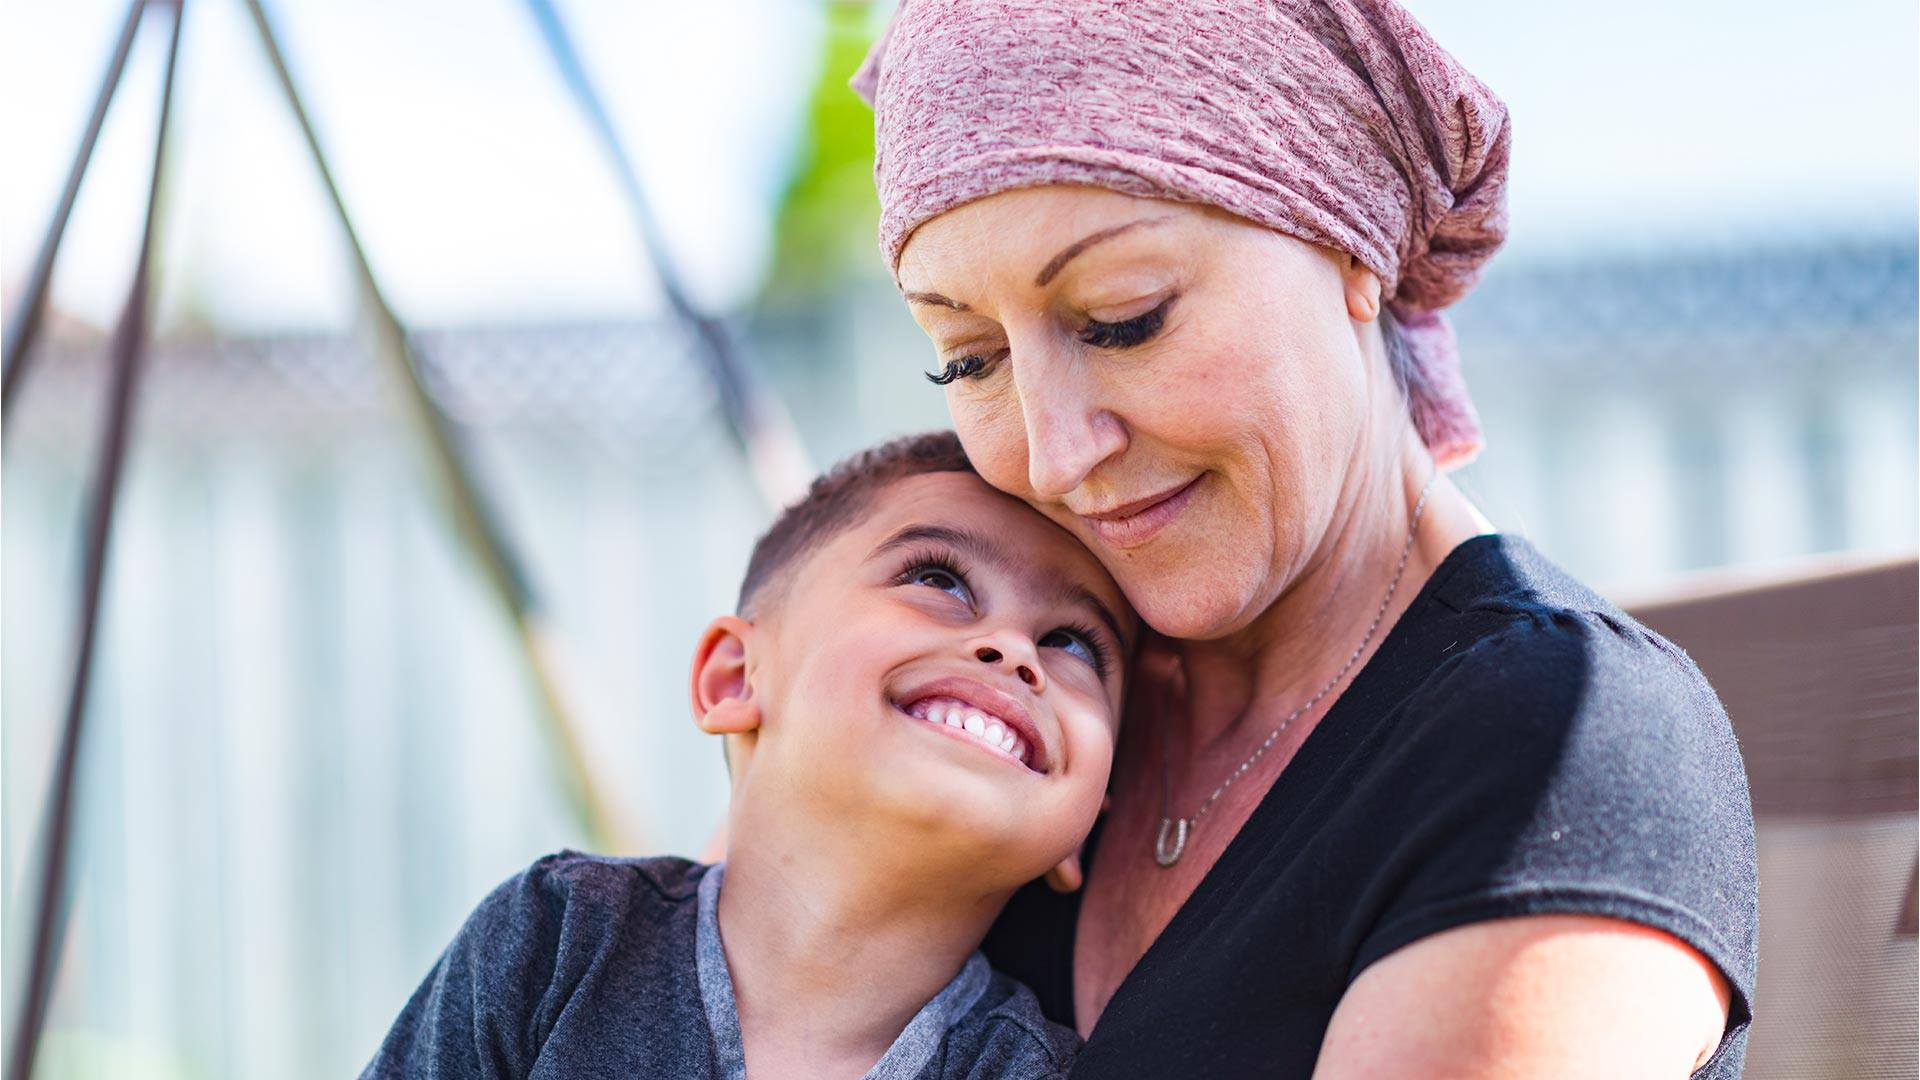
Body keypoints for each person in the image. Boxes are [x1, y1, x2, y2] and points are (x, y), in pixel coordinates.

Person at [854, 1, 1760, 1076]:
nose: (1056, 457)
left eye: (1124, 318)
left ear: (1349, 247)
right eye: (968, 358)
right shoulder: (1010, 689)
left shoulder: (1560, 744)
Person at [360, 432, 1137, 1079]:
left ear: (1086, 825)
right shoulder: (554, 942)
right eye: (939, 578)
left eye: (1074, 643)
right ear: (736, 678)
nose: (1012, 649)